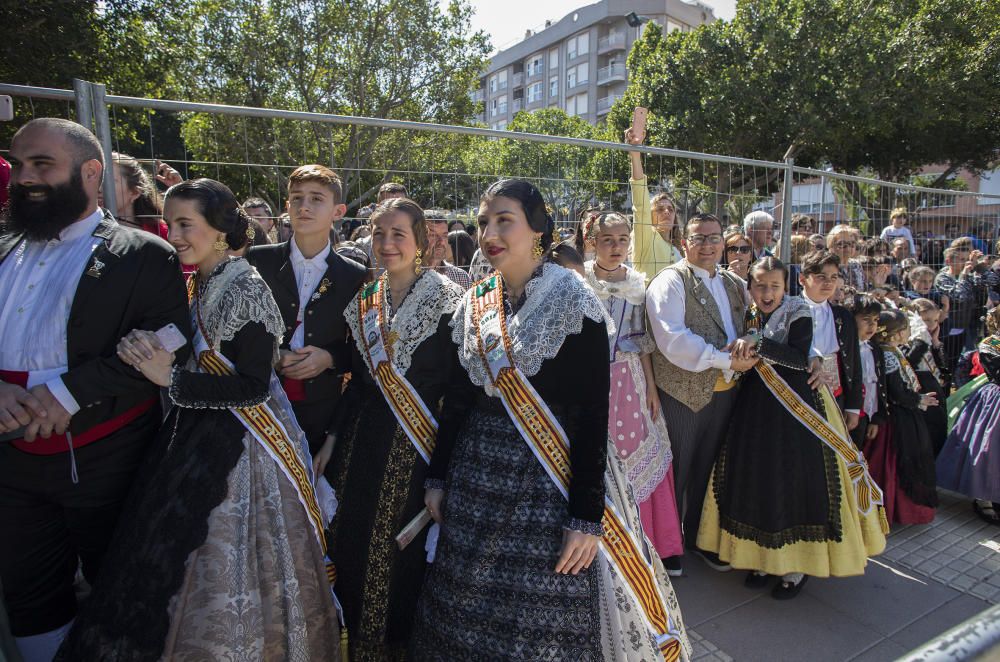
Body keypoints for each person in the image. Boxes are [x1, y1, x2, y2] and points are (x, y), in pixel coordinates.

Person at [58, 178, 341, 659]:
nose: (174, 236)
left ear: (220, 229)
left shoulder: (246, 287)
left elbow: (252, 388)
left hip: (244, 450)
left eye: (186, 225)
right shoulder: (199, 280)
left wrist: (170, 379)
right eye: (171, 224)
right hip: (192, 434)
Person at [412, 179, 690, 661]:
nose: (488, 233)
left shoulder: (572, 302)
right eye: (483, 223)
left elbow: (591, 416)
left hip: (546, 486)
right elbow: (457, 401)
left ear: (537, 228)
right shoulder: (476, 302)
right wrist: (438, 476)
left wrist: (585, 516)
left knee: (537, 622)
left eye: (504, 221)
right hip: (478, 480)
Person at [0, 118, 190, 661]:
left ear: (90, 172)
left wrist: (68, 394)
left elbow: (169, 338)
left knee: (120, 584)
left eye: (42, 165)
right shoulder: (3, 246)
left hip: (106, 456)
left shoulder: (142, 254)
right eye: (18, 165)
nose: (24, 178)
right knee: (29, 589)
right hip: (11, 460)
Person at [323, 198, 467, 659]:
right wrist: (330, 438)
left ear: (421, 240)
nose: (387, 244)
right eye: (379, 233)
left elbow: (458, 395)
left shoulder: (450, 302)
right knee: (350, 542)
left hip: (417, 450)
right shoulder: (365, 301)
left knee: (399, 552)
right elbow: (359, 385)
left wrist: (442, 473)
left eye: (398, 234)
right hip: (359, 446)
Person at [697, 258, 886, 599]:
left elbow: (800, 358)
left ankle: (795, 568)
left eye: (775, 286)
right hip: (756, 410)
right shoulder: (750, 311)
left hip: (796, 410)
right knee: (757, 481)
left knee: (795, 483)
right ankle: (761, 561)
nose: (767, 292)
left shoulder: (798, 311)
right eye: (760, 285)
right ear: (750, 286)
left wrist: (760, 345)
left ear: (787, 287)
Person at [646, 212, 753, 575]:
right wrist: (724, 358)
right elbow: (673, 340)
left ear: (724, 242)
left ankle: (697, 539)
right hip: (683, 393)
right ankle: (667, 547)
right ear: (684, 243)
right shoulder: (670, 282)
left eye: (714, 237)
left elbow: (751, 323)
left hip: (726, 393)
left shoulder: (734, 282)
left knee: (709, 472)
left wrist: (749, 343)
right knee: (676, 469)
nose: (707, 245)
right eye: (699, 238)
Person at [582, 212, 683, 565]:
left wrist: (651, 389)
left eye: (622, 239)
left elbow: (641, 344)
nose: (616, 247)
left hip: (629, 382)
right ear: (593, 241)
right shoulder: (579, 281)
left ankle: (647, 542)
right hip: (589, 380)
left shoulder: (638, 285)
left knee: (636, 454)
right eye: (608, 240)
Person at [246, 165, 366, 454]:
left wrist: (328, 358)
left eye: (316, 199)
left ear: (338, 212)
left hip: (321, 407)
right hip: (260, 399)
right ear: (287, 206)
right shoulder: (258, 261)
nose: (304, 207)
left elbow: (360, 347)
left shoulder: (354, 275)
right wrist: (272, 354)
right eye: (297, 198)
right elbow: (240, 329)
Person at [863, 310, 939, 525]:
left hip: (902, 417)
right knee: (894, 463)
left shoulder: (892, 351)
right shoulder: (887, 355)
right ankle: (892, 510)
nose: (909, 332)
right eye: (906, 328)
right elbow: (896, 392)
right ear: (894, 334)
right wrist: (918, 400)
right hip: (895, 419)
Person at [937, 306, 1000, 524]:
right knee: (988, 450)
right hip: (995, 402)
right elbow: (997, 372)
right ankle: (984, 498)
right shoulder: (990, 344)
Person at [798, 250, 863, 428]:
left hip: (836, 397)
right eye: (821, 276)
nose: (828, 283)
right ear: (802, 279)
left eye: (834, 277)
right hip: (799, 396)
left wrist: (853, 406)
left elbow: (854, 362)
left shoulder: (843, 317)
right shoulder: (789, 312)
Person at [624, 127, 683, 283]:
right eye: (659, 209)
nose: (666, 212)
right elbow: (640, 205)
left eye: (671, 209)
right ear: (649, 215)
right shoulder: (646, 236)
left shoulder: (677, 249)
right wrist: (635, 155)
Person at [905, 299, 948, 451]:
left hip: (934, 388)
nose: (931, 325)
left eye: (935, 320)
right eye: (926, 320)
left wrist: (935, 341)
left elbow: (943, 370)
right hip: (919, 390)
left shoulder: (931, 340)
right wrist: (921, 342)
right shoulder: (909, 341)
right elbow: (910, 363)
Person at [846, 294, 884, 450]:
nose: (872, 325)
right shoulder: (846, 350)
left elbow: (880, 386)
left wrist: (876, 419)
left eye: (875, 320)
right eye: (866, 319)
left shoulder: (875, 349)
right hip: (848, 414)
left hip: (866, 416)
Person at [109, 152, 168, 239]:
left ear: (134, 192)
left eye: (110, 181)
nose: (99, 189)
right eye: (97, 180)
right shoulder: (84, 230)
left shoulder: (162, 234)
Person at [423, 210, 472, 289]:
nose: (441, 242)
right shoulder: (405, 276)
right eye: (433, 235)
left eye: (445, 235)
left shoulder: (461, 277)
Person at [827, 225, 864, 290]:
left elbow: (863, 289)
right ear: (831, 246)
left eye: (852, 243)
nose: (848, 248)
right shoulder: (827, 265)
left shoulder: (856, 264)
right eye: (842, 244)